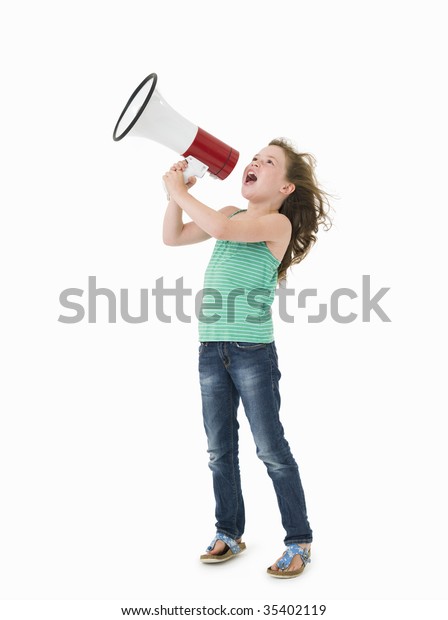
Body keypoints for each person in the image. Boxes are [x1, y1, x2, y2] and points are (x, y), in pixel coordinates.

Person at [162, 138, 331, 578]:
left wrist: (182, 192)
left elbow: (219, 231)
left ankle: (299, 539)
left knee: (270, 449)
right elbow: (173, 236)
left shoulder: (275, 225)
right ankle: (229, 532)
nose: (254, 162)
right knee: (219, 449)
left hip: (251, 354)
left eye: (268, 162)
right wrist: (174, 196)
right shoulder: (231, 213)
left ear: (286, 188)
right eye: (255, 158)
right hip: (210, 348)